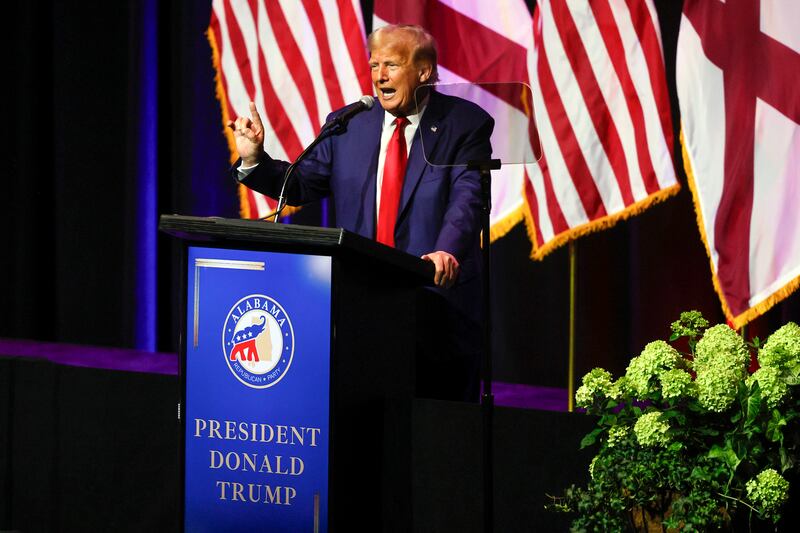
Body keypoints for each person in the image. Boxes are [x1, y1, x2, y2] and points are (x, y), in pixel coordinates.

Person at [228, 24, 494, 400]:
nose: (380, 76)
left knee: (441, 444)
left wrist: (446, 251)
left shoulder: (464, 124)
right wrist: (255, 160)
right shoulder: (349, 124)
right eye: (374, 65)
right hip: (361, 311)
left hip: (437, 313)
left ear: (424, 71)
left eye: (392, 65)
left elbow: (468, 198)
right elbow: (300, 184)